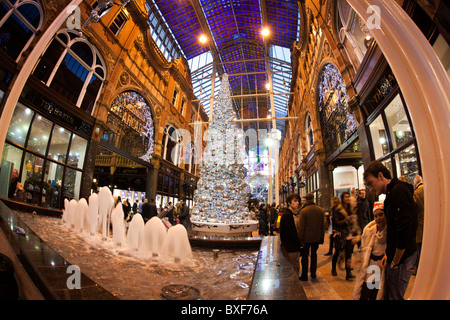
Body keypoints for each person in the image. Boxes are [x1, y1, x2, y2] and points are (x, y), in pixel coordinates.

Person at [363, 161, 417, 300]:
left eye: (370, 183)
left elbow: (404, 227)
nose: (370, 188)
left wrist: (396, 259)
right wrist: (389, 254)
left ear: (380, 176)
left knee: (394, 296)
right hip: (395, 258)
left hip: (401, 258)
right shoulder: (391, 194)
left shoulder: (398, 191)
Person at [353, 201, 387, 300]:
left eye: (381, 215)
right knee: (366, 292)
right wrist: (357, 259)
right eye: (375, 216)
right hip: (371, 267)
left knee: (376, 294)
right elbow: (363, 249)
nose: (378, 218)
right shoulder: (369, 231)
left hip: (381, 267)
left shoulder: (390, 232)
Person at [331, 192, 359, 280]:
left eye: (348, 197)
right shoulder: (338, 209)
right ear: (342, 198)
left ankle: (348, 273)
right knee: (338, 251)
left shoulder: (350, 209)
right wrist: (345, 220)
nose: (347, 198)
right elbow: (335, 222)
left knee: (348, 253)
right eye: (346, 197)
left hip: (349, 233)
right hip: (340, 234)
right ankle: (333, 268)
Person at [298, 193, 325, 281]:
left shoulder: (304, 211)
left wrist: (300, 239)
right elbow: (322, 226)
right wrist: (321, 237)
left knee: (305, 257)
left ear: (306, 200)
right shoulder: (320, 210)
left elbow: (301, 227)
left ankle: (304, 275)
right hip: (316, 238)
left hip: (306, 239)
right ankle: (313, 273)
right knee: (314, 255)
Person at [280, 194, 303, 276]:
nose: (297, 203)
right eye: (295, 201)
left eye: (298, 201)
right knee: (293, 270)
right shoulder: (287, 215)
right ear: (289, 203)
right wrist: (300, 245)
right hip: (291, 248)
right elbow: (292, 233)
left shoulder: (289, 214)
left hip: (290, 247)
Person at [413, 175, 424, 274]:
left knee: (419, 249)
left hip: (419, 226)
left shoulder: (416, 194)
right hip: (429, 225)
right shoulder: (429, 190)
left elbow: (414, 211)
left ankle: (419, 269)